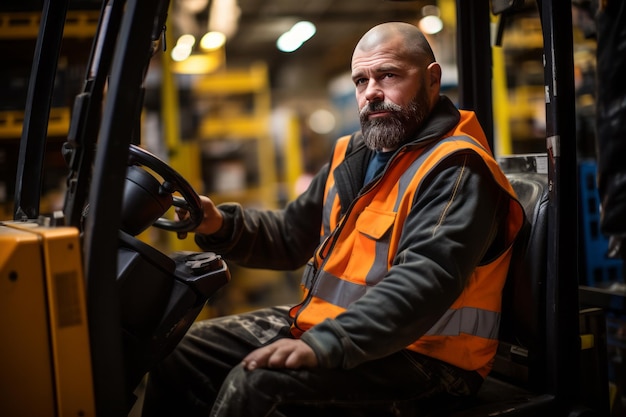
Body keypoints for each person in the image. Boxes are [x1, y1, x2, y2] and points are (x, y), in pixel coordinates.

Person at [140, 21, 525, 417]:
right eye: (361, 81)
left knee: (257, 384)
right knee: (178, 350)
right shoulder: (354, 155)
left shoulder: (457, 167)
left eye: (388, 75)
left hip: (429, 360)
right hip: (342, 332)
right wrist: (219, 223)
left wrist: (322, 345)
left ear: (432, 80)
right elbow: (291, 236)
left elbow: (424, 281)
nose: (371, 92)